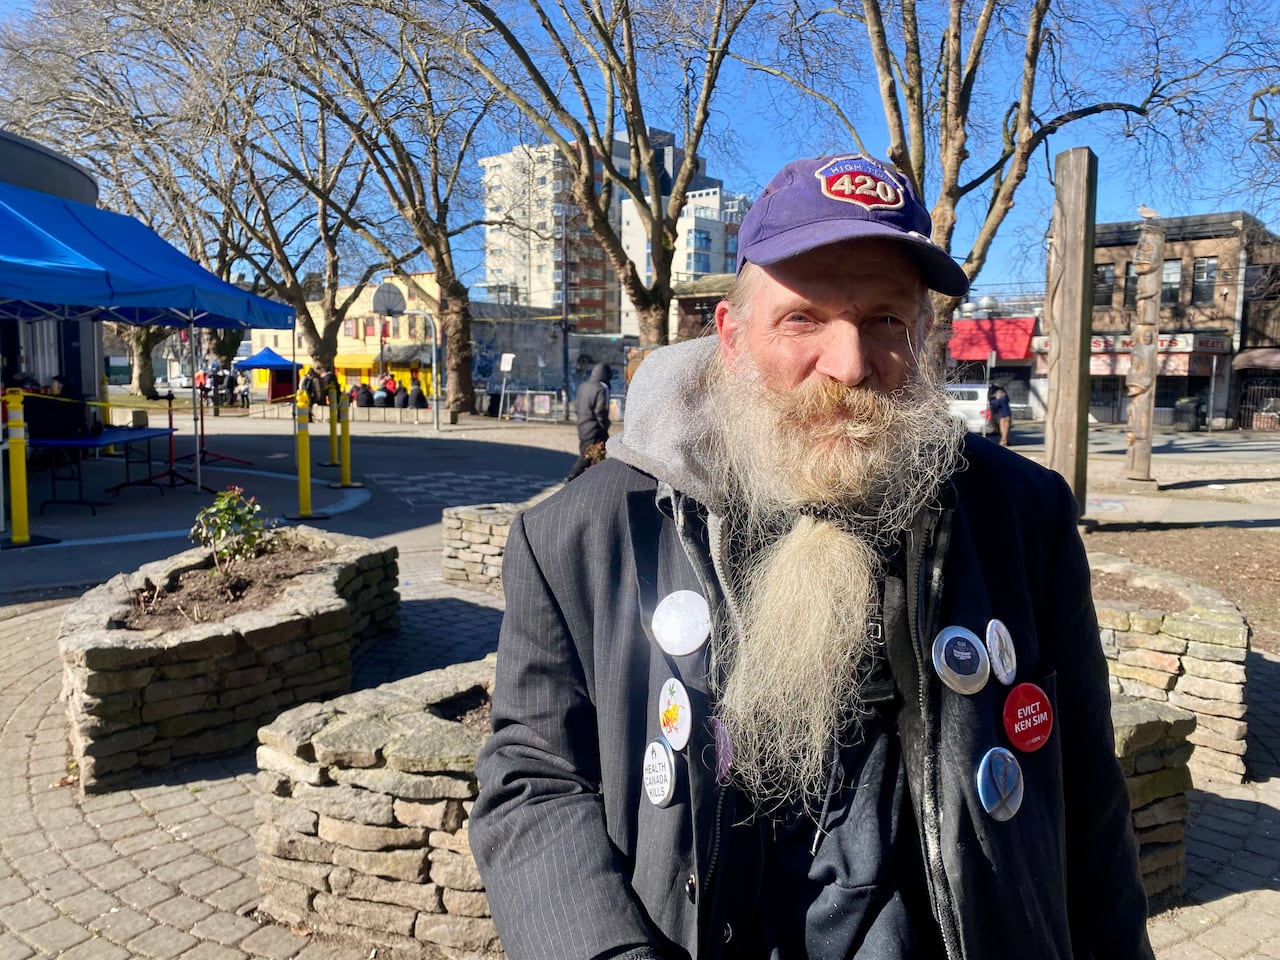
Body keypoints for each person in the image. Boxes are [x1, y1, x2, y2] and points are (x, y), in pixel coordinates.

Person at [470, 154, 1152, 960]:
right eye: (803, 320)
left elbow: (1085, 788)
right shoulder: (582, 537)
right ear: (730, 338)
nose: (851, 364)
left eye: (886, 321)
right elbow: (533, 776)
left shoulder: (1022, 517)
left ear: (925, 333)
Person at [563, 361, 612, 482]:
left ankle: (588, 480)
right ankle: (572, 477)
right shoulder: (602, 387)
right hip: (595, 427)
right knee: (590, 456)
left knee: (588, 454)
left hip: (581, 425)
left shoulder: (583, 386)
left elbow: (576, 407)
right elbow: (601, 410)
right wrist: (604, 426)